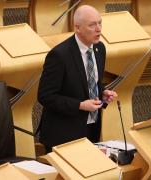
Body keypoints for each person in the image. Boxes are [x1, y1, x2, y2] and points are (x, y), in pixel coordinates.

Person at [37, 5, 117, 153]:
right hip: (63, 134)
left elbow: (87, 82)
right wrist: (79, 105)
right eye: (92, 25)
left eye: (100, 23)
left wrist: (102, 93)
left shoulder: (100, 49)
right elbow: (45, 96)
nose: (98, 29)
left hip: (91, 128)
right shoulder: (59, 55)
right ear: (77, 28)